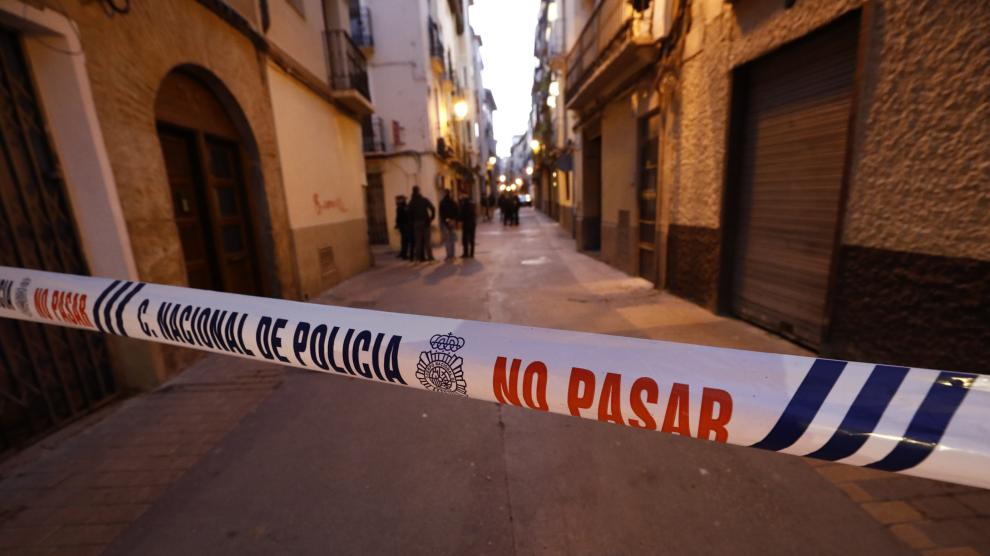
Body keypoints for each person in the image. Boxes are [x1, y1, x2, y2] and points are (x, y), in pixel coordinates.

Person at [408, 186, 435, 262]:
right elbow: (432, 208)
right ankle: (430, 257)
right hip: (426, 222)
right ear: (419, 191)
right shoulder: (424, 200)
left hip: (416, 223)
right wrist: (431, 218)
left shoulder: (411, 202)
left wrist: (412, 222)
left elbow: (409, 214)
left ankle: (418, 258)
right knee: (427, 241)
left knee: (418, 241)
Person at [438, 188, 459, 261]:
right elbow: (456, 211)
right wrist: (453, 219)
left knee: (447, 239)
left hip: (445, 223)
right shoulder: (453, 202)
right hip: (452, 222)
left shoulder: (442, 202)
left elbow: (441, 213)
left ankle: (448, 255)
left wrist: (445, 220)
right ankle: (452, 255)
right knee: (452, 239)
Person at [395, 195, 412, 260]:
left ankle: (404, 254)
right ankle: (403, 253)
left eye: (397, 200)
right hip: (404, 226)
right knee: (404, 240)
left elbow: (400, 217)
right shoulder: (404, 207)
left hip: (404, 226)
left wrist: (398, 224)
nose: (396, 201)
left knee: (405, 241)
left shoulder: (401, 207)